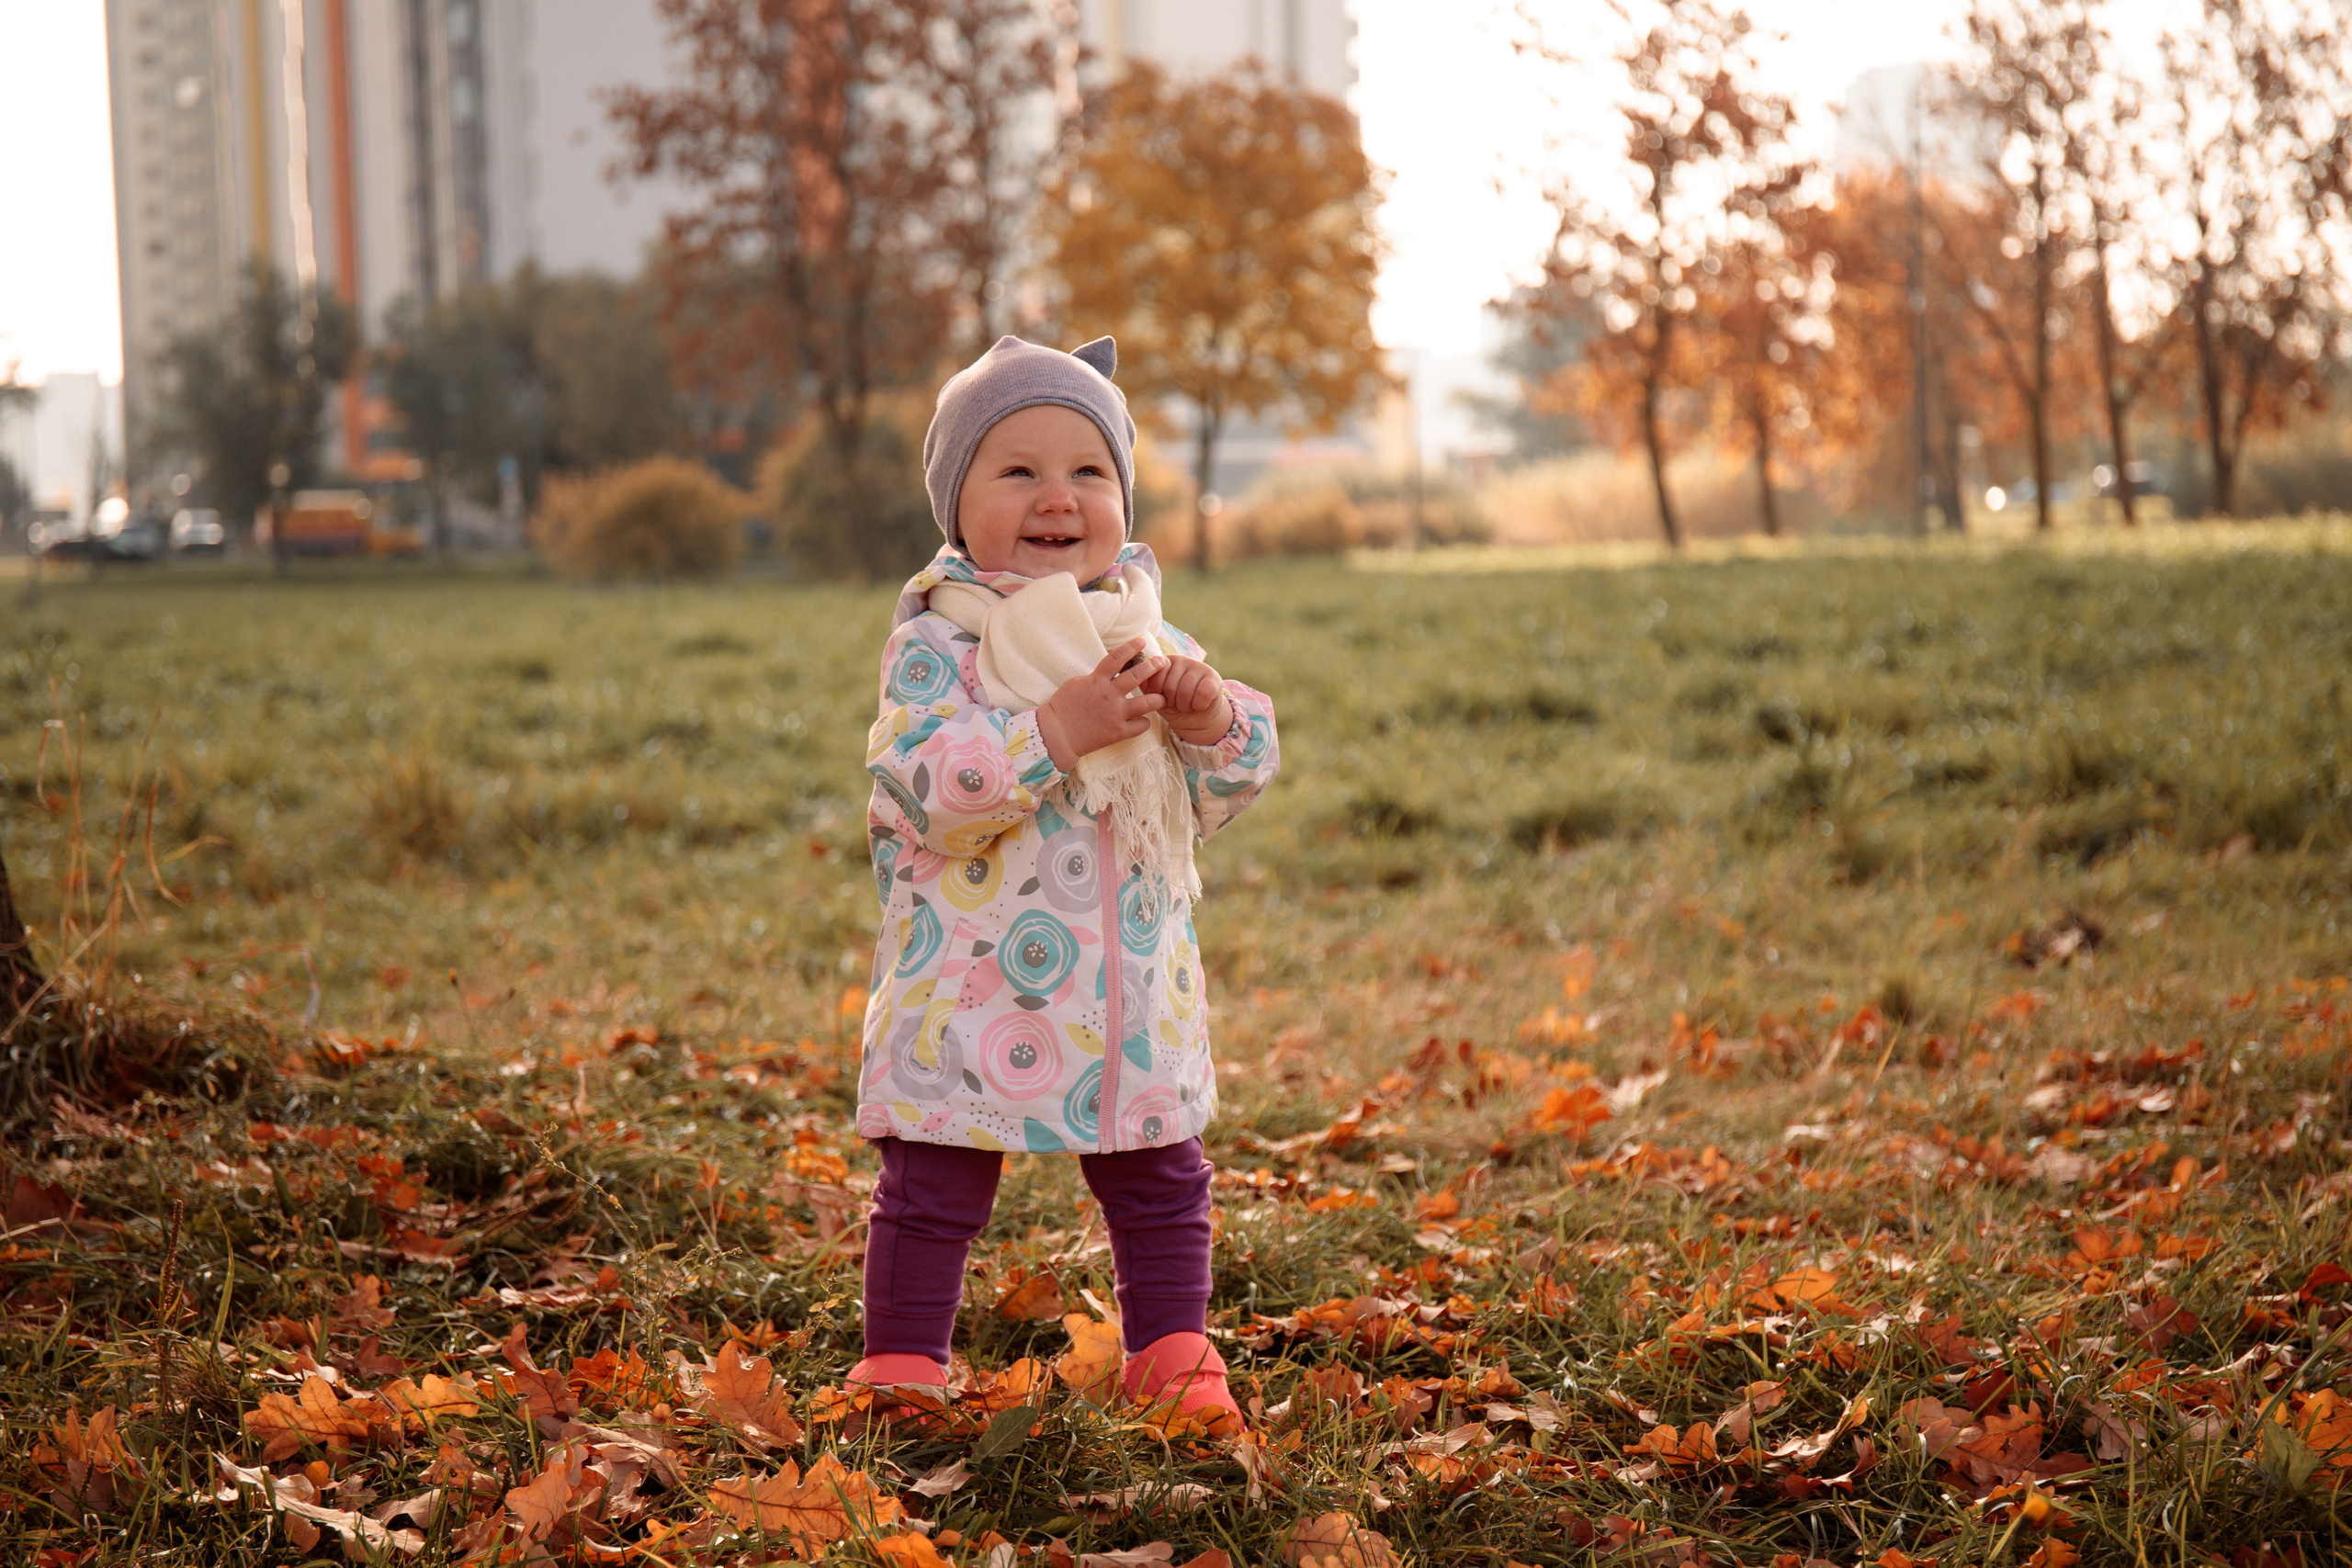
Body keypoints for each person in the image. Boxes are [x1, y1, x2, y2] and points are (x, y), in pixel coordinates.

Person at [852, 334, 1279, 1432]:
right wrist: (1050, 732)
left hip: (1126, 986)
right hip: (972, 977)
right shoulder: (941, 647)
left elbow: (1228, 785)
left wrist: (1209, 718)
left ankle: (1174, 1357)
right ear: (957, 506)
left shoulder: (1143, 629)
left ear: (1123, 498)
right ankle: (901, 1367)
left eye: (1088, 471)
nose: (1058, 497)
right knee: (935, 1180)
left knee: (1160, 1179)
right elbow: (921, 787)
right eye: (1018, 470)